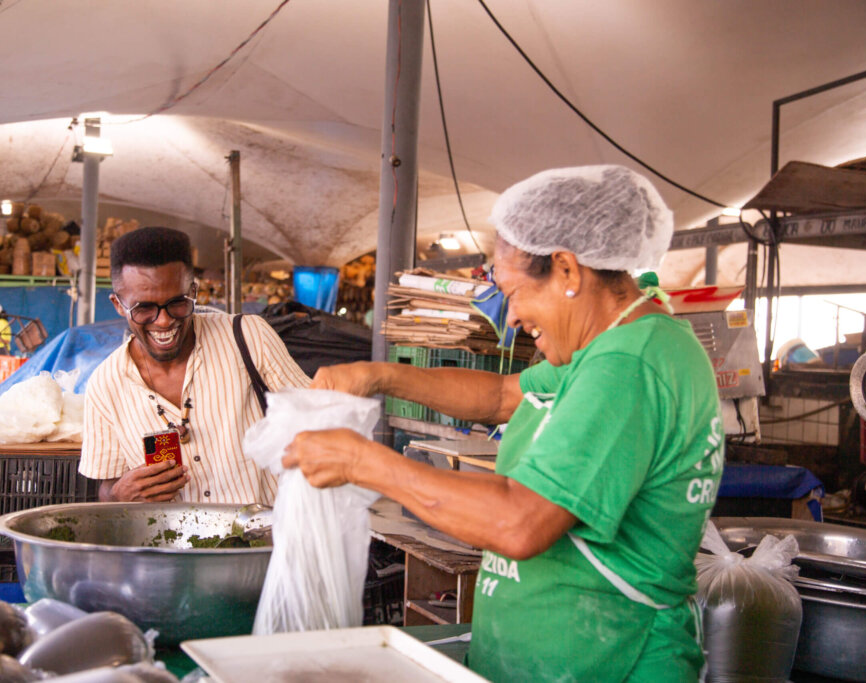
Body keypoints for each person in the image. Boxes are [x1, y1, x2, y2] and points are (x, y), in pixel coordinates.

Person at [283, 166, 723, 682]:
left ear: (567, 270)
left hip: (610, 660)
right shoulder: (607, 348)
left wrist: (361, 461)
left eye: (514, 293)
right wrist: (378, 375)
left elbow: (520, 523)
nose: (510, 318)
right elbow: (501, 396)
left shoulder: (628, 364)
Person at [79, 226, 310, 504]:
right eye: (144, 308)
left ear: (194, 291)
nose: (163, 321)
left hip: (265, 542)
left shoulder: (248, 337)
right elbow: (107, 488)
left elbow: (317, 420)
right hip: (169, 545)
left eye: (177, 303)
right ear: (118, 305)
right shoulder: (105, 386)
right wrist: (120, 494)